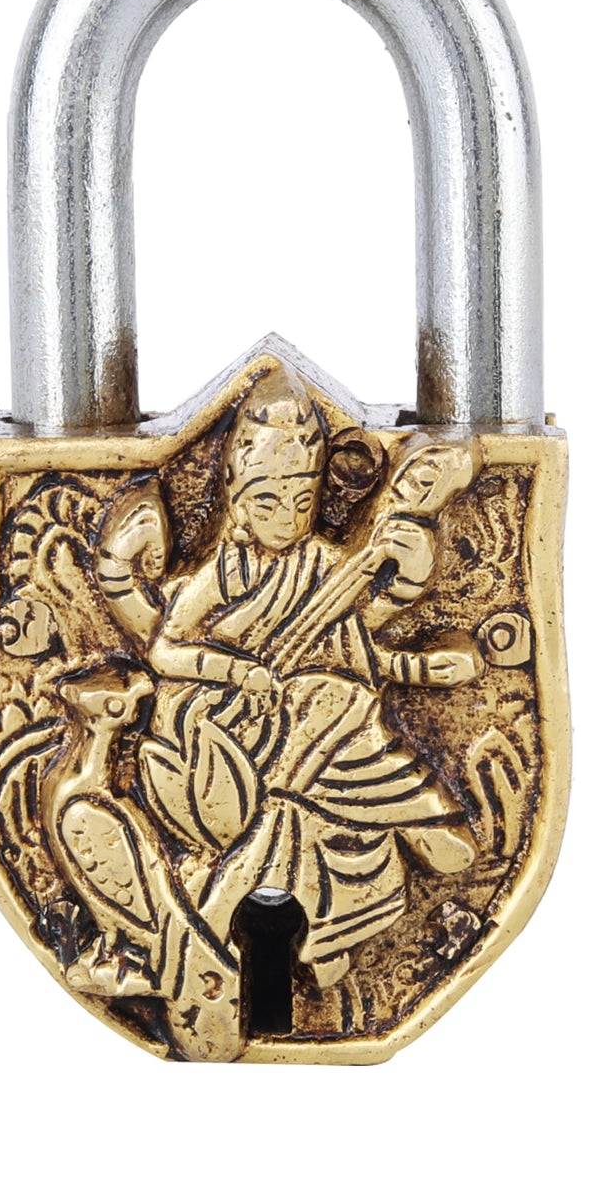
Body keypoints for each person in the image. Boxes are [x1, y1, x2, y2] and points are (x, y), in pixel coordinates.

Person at [103, 364, 482, 992]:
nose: (287, 518)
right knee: (329, 710)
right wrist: (236, 670)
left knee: (331, 716)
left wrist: (411, 586)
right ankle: (410, 815)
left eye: (302, 503)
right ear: (237, 499)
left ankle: (322, 916)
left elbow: (355, 631)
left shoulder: (326, 562)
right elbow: (165, 649)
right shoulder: (227, 571)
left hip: (305, 725)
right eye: (268, 502)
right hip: (226, 725)